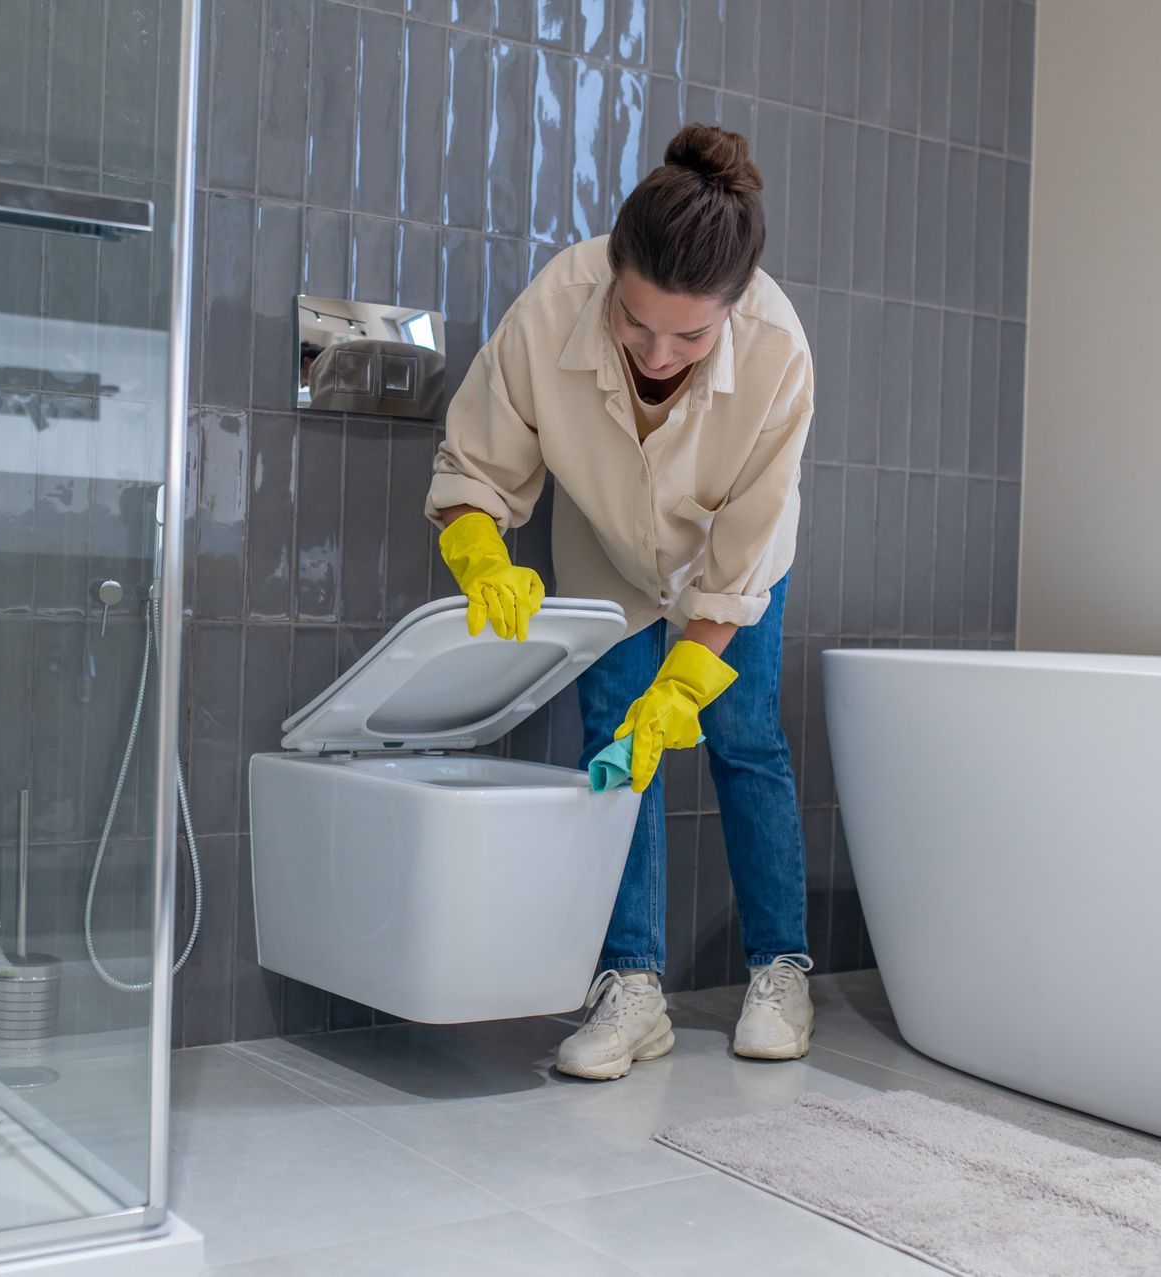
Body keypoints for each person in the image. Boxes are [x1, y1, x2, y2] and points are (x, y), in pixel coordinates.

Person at [426, 124, 815, 1081]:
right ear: (612, 271)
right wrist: (480, 556)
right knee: (616, 747)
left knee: (743, 737)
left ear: (735, 305)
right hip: (604, 551)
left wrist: (686, 680)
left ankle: (782, 966)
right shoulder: (557, 302)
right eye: (636, 323)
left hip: (729, 567)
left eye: (691, 333)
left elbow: (744, 551)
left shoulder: (777, 352)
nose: (657, 350)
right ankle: (632, 985)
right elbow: (478, 463)